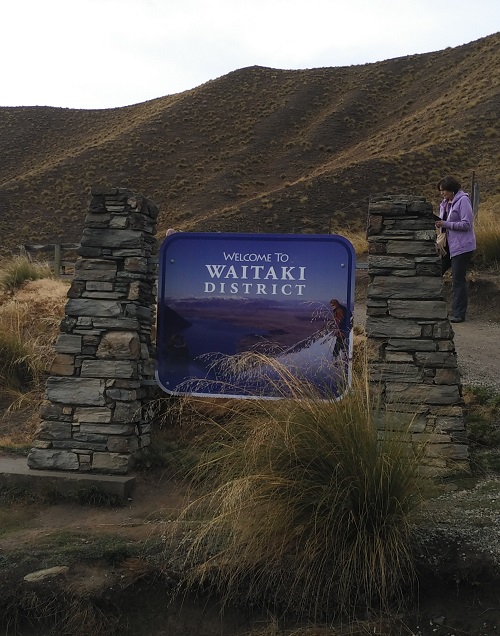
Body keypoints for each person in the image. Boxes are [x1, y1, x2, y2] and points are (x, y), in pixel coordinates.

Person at [435, 176, 476, 323]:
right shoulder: (444, 203)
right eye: (440, 191)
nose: (442, 194)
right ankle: (434, 307)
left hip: (462, 246)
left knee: (458, 279)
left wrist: (445, 224)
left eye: (444, 190)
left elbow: (466, 224)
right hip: (448, 246)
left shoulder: (463, 201)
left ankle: (458, 314)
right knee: (435, 272)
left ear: (452, 189)